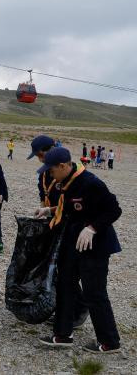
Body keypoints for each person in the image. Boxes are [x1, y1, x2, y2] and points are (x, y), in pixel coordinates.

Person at [35, 147, 122, 353]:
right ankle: (63, 334)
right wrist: (50, 210)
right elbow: (68, 207)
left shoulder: (91, 183)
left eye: (52, 171)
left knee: (94, 292)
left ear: (63, 166)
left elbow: (114, 210)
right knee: (65, 284)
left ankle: (109, 342)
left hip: (95, 244)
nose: (50, 175)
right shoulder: (65, 182)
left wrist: (92, 228)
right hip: (73, 241)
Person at [28, 135, 89, 329]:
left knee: (66, 270)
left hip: (67, 225)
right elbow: (43, 192)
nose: (40, 160)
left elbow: (71, 203)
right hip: (52, 222)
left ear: (51, 149)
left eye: (41, 155)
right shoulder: (46, 172)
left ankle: (79, 310)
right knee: (53, 269)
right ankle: (63, 308)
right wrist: (44, 211)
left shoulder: (70, 173)